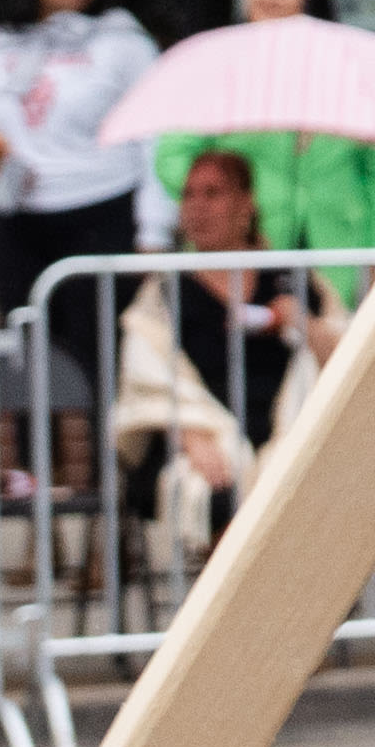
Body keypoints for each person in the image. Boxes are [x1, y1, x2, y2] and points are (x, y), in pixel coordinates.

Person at [0, 0, 160, 434]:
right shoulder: (1, 46)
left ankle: (109, 482)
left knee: (100, 348)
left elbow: (154, 134)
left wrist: (154, 229)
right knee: (23, 350)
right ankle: (36, 483)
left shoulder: (121, 40)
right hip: (21, 215)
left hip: (101, 207)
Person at [145, 0, 375, 262]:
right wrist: (224, 204)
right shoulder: (219, 66)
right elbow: (172, 158)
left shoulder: (350, 68)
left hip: (339, 248)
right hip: (243, 252)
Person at [106, 144, 301, 564]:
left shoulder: (289, 277)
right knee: (217, 492)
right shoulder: (164, 292)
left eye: (213, 193)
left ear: (246, 204)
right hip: (198, 438)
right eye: (189, 195)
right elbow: (146, 381)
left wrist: (304, 324)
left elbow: (348, 359)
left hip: (287, 431)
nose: (197, 206)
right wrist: (190, 434)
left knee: (310, 485)